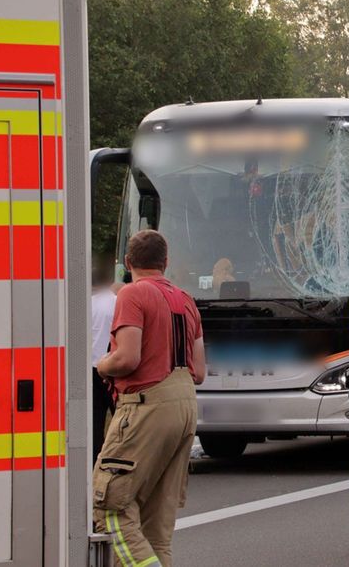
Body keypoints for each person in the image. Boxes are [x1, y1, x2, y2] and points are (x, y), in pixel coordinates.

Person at [93, 230, 207, 567]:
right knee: (156, 522)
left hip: (146, 404)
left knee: (110, 507)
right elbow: (199, 370)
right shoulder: (186, 300)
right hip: (184, 404)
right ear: (166, 262)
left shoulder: (133, 294)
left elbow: (126, 358)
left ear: (128, 264)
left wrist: (102, 364)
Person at [90, 262, 118, 464]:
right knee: (121, 419)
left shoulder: (86, 305)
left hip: (91, 368)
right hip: (114, 368)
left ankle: (94, 464)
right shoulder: (117, 302)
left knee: (95, 422)